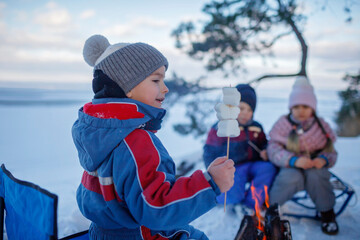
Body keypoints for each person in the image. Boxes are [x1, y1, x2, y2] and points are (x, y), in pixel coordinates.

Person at [72, 34, 235, 240]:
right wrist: (210, 183)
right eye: (156, 80)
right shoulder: (135, 140)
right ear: (128, 87)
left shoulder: (100, 133)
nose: (165, 88)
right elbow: (155, 207)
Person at [267, 76, 339, 235]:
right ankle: (271, 209)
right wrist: (293, 160)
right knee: (289, 178)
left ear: (312, 107)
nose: (301, 111)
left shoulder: (320, 125)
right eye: (296, 106)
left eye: (305, 106)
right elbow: (273, 149)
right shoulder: (283, 124)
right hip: (291, 164)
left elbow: (331, 151)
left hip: (314, 165)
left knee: (318, 176)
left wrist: (323, 159)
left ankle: (327, 213)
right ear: (290, 107)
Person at [203, 84, 277, 213]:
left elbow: (263, 143)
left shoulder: (256, 127)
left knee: (268, 168)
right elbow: (209, 151)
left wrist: (265, 150)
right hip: (232, 168)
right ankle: (219, 197)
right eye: (241, 108)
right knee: (234, 194)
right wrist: (214, 172)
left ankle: (251, 203)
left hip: (253, 165)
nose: (245, 113)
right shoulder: (221, 127)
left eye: (250, 110)